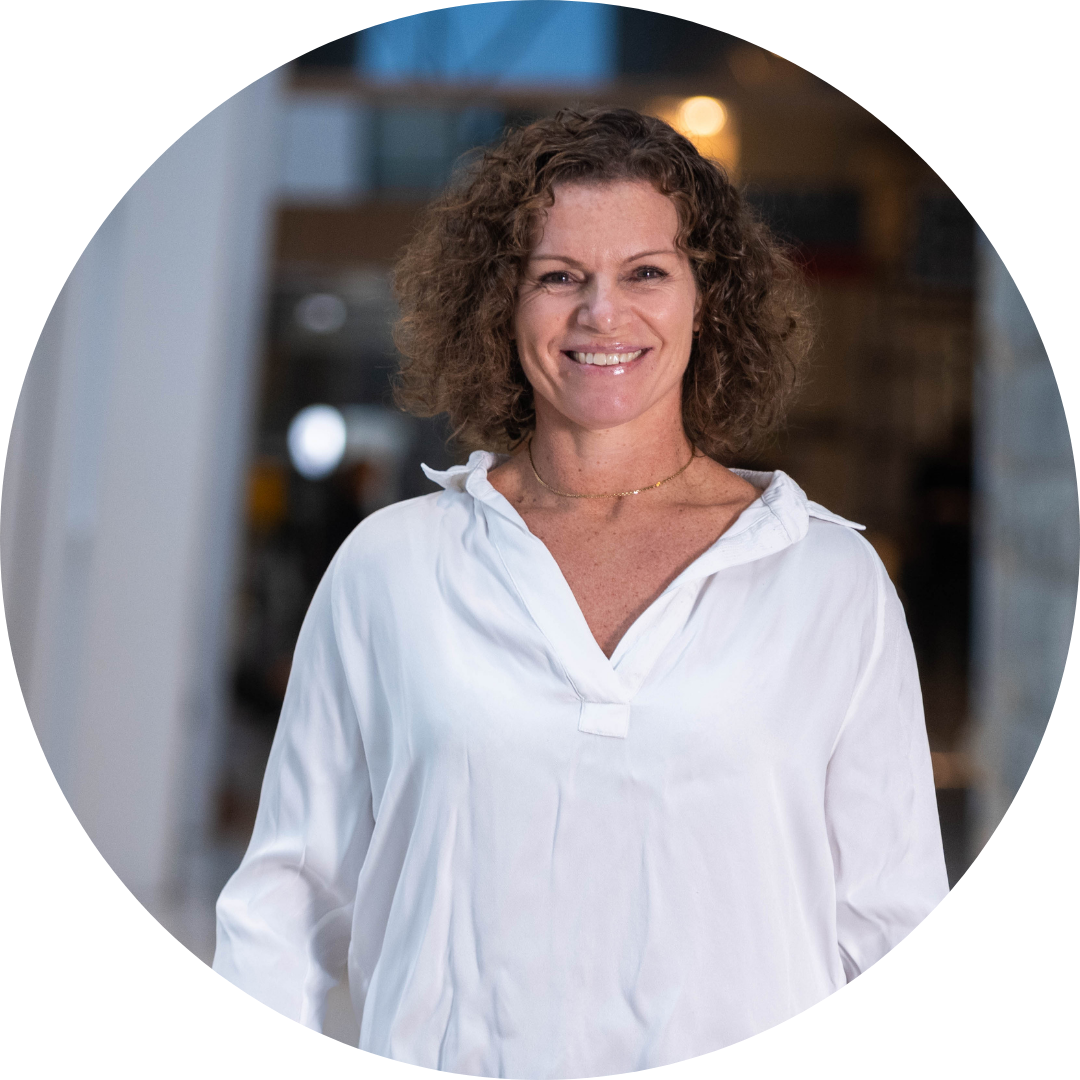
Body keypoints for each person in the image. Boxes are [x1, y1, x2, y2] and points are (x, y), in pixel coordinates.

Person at [213, 108, 949, 1074]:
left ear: (707, 299)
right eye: (559, 277)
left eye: (646, 272)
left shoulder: (827, 578)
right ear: (499, 305)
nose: (603, 314)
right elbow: (287, 906)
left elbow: (889, 918)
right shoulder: (390, 568)